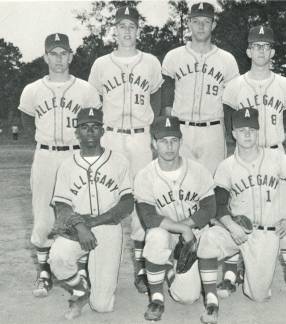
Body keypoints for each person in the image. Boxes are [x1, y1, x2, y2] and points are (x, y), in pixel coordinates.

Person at [197, 107, 286, 315]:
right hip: (238, 229)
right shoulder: (227, 166)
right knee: (208, 239)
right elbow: (217, 205)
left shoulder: (276, 158)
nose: (247, 134)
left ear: (258, 132)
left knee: (258, 296)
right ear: (233, 134)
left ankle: (241, 270)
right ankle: (211, 301)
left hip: (265, 233)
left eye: (251, 129)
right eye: (242, 130)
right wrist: (230, 226)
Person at [219, 25, 286, 299]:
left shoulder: (284, 84)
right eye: (256, 46)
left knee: (282, 217)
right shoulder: (235, 86)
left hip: (274, 153)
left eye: (266, 46)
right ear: (248, 51)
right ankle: (233, 272)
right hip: (244, 155)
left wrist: (272, 147)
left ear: (273, 52)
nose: (261, 51)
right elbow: (228, 123)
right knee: (240, 213)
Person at [18, 33, 101, 297]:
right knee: (43, 213)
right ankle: (44, 273)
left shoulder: (86, 89)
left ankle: (83, 269)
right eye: (53, 53)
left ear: (71, 56)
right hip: (45, 155)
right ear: (45, 57)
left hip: (75, 155)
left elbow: (95, 125)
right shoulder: (32, 90)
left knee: (80, 210)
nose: (58, 59)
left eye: (63, 53)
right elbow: (27, 122)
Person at [88, 5, 163, 294]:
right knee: (106, 199)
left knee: (141, 199)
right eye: (122, 26)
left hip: (140, 137)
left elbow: (156, 102)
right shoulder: (100, 65)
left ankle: (141, 267)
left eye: (132, 26)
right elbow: (93, 105)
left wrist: (153, 135)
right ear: (114, 31)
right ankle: (99, 264)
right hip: (111, 137)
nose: (127, 31)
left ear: (138, 31)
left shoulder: (151, 62)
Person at [48, 108, 134, 319]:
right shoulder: (67, 165)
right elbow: (62, 206)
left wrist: (93, 222)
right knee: (57, 259)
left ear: (102, 131)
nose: (90, 132)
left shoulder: (119, 161)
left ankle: (95, 284)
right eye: (85, 127)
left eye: (95, 127)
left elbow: (127, 203)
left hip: (107, 227)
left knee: (102, 306)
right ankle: (80, 288)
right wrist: (81, 227)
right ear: (77, 132)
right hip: (77, 226)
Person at [134, 116, 218, 323]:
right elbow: (148, 217)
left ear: (181, 142)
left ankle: (168, 270)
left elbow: (209, 208)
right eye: (163, 141)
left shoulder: (198, 170)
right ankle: (156, 297)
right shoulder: (145, 175)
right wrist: (181, 229)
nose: (169, 146)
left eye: (174, 140)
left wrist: (186, 227)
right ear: (154, 144)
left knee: (187, 297)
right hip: (164, 231)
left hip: (193, 233)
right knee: (155, 237)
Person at [161, 1, 239, 176]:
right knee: (178, 183)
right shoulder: (173, 57)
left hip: (213, 132)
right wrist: (169, 129)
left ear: (214, 24)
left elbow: (232, 102)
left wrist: (231, 131)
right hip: (181, 129)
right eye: (196, 21)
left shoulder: (227, 60)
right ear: (188, 23)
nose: (201, 26)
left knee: (212, 187)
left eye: (206, 21)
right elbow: (166, 97)